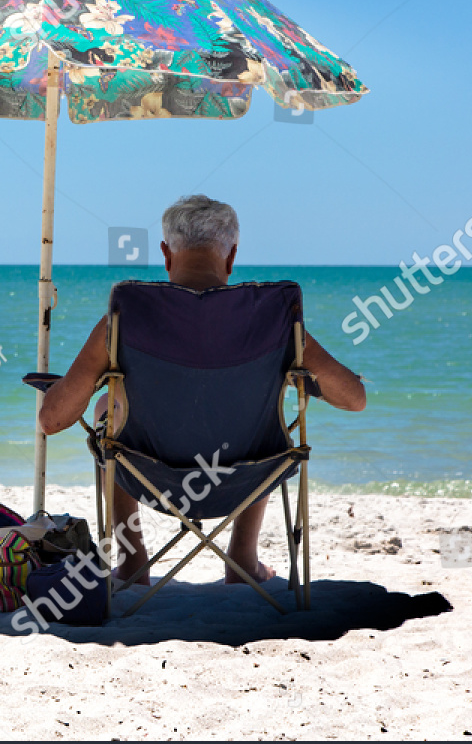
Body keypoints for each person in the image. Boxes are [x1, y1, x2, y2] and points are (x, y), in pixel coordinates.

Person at [38, 194, 366, 587]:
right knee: (266, 412)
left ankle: (131, 559)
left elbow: (52, 420)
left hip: (150, 478)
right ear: (231, 257)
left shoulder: (122, 322)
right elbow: (354, 399)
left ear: (165, 254)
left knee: (109, 407)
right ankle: (242, 558)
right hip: (246, 477)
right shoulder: (275, 322)